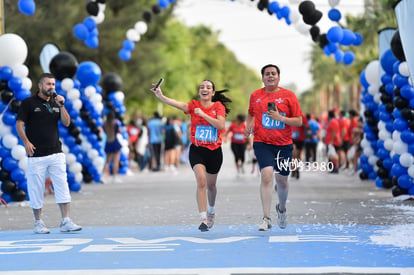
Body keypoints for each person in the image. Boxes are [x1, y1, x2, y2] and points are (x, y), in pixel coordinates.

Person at [151, 79, 231, 232]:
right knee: (201, 181)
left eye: (208, 87)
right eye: (201, 87)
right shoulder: (193, 106)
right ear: (199, 91)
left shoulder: (217, 107)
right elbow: (176, 103)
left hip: (214, 151)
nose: (204, 89)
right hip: (197, 150)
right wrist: (161, 96)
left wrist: (203, 114)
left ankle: (211, 210)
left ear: (213, 93)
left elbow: (221, 126)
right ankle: (203, 218)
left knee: (211, 186)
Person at [16, 73, 82, 234]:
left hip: (56, 153)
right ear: (40, 85)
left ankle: (66, 221)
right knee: (36, 188)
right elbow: (19, 123)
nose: (51, 87)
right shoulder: (28, 103)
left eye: (53, 84)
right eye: (48, 84)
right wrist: (26, 142)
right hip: (36, 154)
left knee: (62, 185)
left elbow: (66, 123)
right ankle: (38, 222)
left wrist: (62, 105)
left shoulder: (56, 102)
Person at [244, 64, 303, 231]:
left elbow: (299, 121)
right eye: (267, 74)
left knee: (282, 180)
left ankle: (281, 208)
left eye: (273, 74)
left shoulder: (289, 96)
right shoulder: (255, 96)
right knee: (267, 175)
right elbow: (250, 112)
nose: (270, 76)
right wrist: (248, 125)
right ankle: (266, 217)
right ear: (262, 78)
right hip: (262, 143)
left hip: (284, 145)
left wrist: (279, 118)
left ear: (278, 77)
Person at [103, 110, 123, 183]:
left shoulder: (104, 124)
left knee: (107, 161)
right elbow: (120, 131)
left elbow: (105, 132)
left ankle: (104, 176)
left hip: (108, 142)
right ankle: (114, 177)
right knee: (116, 161)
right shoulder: (115, 124)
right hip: (115, 142)